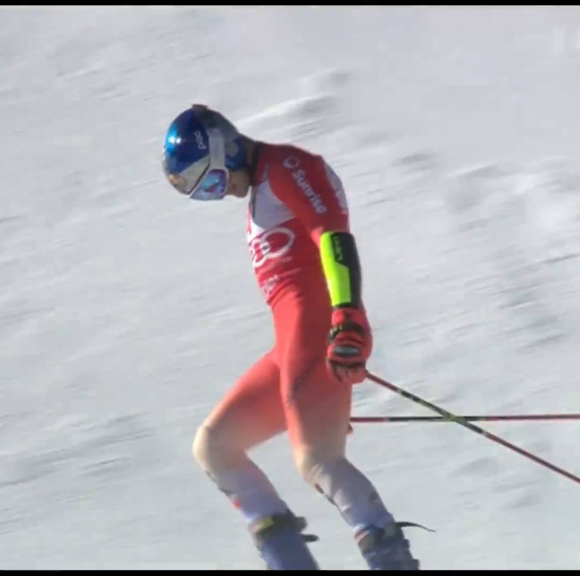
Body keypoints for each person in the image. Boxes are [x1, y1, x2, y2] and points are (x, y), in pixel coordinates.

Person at [161, 104, 422, 570]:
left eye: (214, 182)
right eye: (204, 194)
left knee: (316, 460)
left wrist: (347, 314)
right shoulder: (260, 194)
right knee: (215, 446)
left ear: (227, 149)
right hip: (291, 345)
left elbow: (333, 237)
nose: (219, 196)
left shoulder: (287, 168)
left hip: (320, 327)